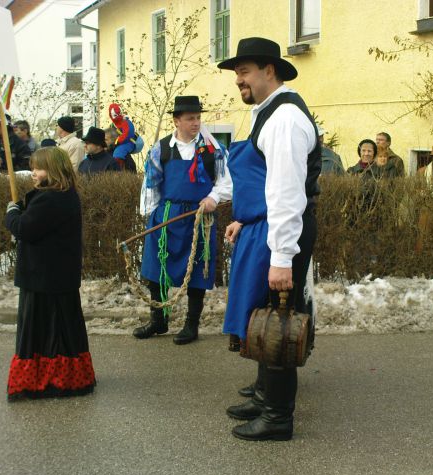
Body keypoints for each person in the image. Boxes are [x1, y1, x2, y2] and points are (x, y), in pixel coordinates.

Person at [217, 36, 321, 441]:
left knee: (279, 317)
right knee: (263, 311)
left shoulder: (285, 119)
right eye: (237, 74)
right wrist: (246, 220)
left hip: (285, 232)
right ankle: (264, 396)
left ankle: (278, 415)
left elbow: (286, 194)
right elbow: (264, 186)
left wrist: (281, 255)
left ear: (269, 71)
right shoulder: (269, 113)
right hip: (269, 228)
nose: (238, 80)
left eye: (243, 72)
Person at [136, 95, 232, 345]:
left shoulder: (213, 149)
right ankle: (159, 320)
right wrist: (150, 215)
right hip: (166, 217)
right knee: (155, 269)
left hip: (199, 220)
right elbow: (151, 184)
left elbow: (227, 183)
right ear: (177, 121)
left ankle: (191, 325)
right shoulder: (161, 148)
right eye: (190, 118)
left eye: (198, 118)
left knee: (198, 271)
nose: (196, 123)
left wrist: (213, 197)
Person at [4, 146, 95, 400]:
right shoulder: (63, 195)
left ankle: (45, 381)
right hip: (56, 276)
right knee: (61, 329)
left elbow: (25, 228)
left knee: (44, 329)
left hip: (44, 277)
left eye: (38, 168)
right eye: (32, 167)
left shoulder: (51, 198)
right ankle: (65, 377)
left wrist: (12, 213)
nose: (33, 173)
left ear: (53, 170)